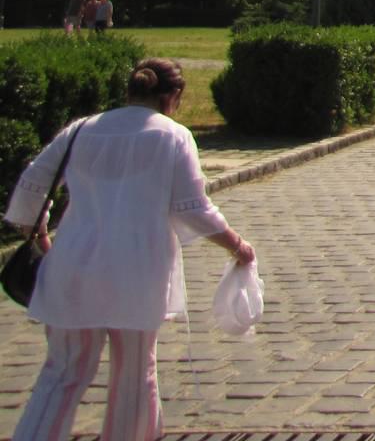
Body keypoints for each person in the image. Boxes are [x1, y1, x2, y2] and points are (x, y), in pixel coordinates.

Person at [4, 57, 255, 441]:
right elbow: (193, 208)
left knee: (62, 373)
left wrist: (41, 237)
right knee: (135, 375)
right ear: (174, 96)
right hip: (137, 271)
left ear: (129, 90)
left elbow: (30, 188)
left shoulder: (80, 130)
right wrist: (237, 245)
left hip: (72, 265)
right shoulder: (172, 135)